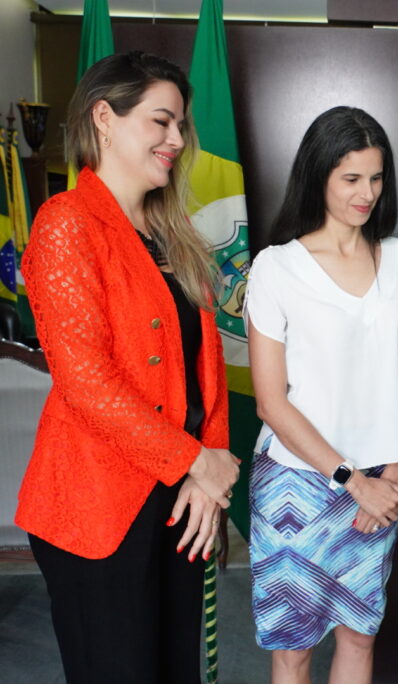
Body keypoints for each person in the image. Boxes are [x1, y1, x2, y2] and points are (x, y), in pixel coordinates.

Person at [16, 52, 239, 683]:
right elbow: (86, 383)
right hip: (97, 504)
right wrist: (197, 460)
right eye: (161, 121)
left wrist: (209, 475)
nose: (177, 140)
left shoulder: (175, 233)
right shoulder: (66, 223)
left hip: (180, 499)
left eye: (181, 125)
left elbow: (207, 369)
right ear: (104, 118)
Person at [246, 106, 398, 684]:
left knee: (360, 636)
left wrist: (393, 473)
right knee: (293, 649)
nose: (366, 193)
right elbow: (271, 402)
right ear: (318, 175)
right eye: (351, 178)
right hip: (297, 485)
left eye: (376, 178)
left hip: (381, 481)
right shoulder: (276, 268)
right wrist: (354, 481)